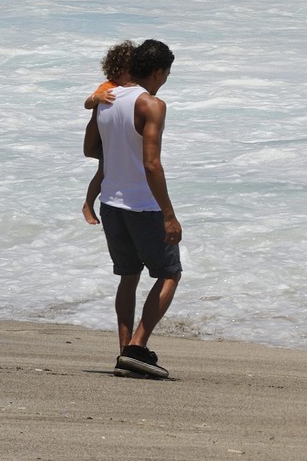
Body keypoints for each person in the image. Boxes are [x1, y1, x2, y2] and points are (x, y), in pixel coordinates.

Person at [82, 39, 182, 379]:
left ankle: (125, 353)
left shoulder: (106, 99)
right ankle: (138, 347)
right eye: (166, 75)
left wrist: (119, 153)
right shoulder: (151, 104)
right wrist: (169, 214)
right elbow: (152, 164)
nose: (164, 81)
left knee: (129, 275)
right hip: (143, 206)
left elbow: (90, 149)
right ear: (158, 71)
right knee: (169, 273)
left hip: (111, 203)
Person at [81, 40, 135, 227]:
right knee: (102, 172)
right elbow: (87, 104)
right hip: (104, 139)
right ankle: (88, 204)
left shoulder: (129, 88)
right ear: (118, 71)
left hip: (115, 139)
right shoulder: (108, 87)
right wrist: (98, 97)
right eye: (130, 71)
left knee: (111, 171)